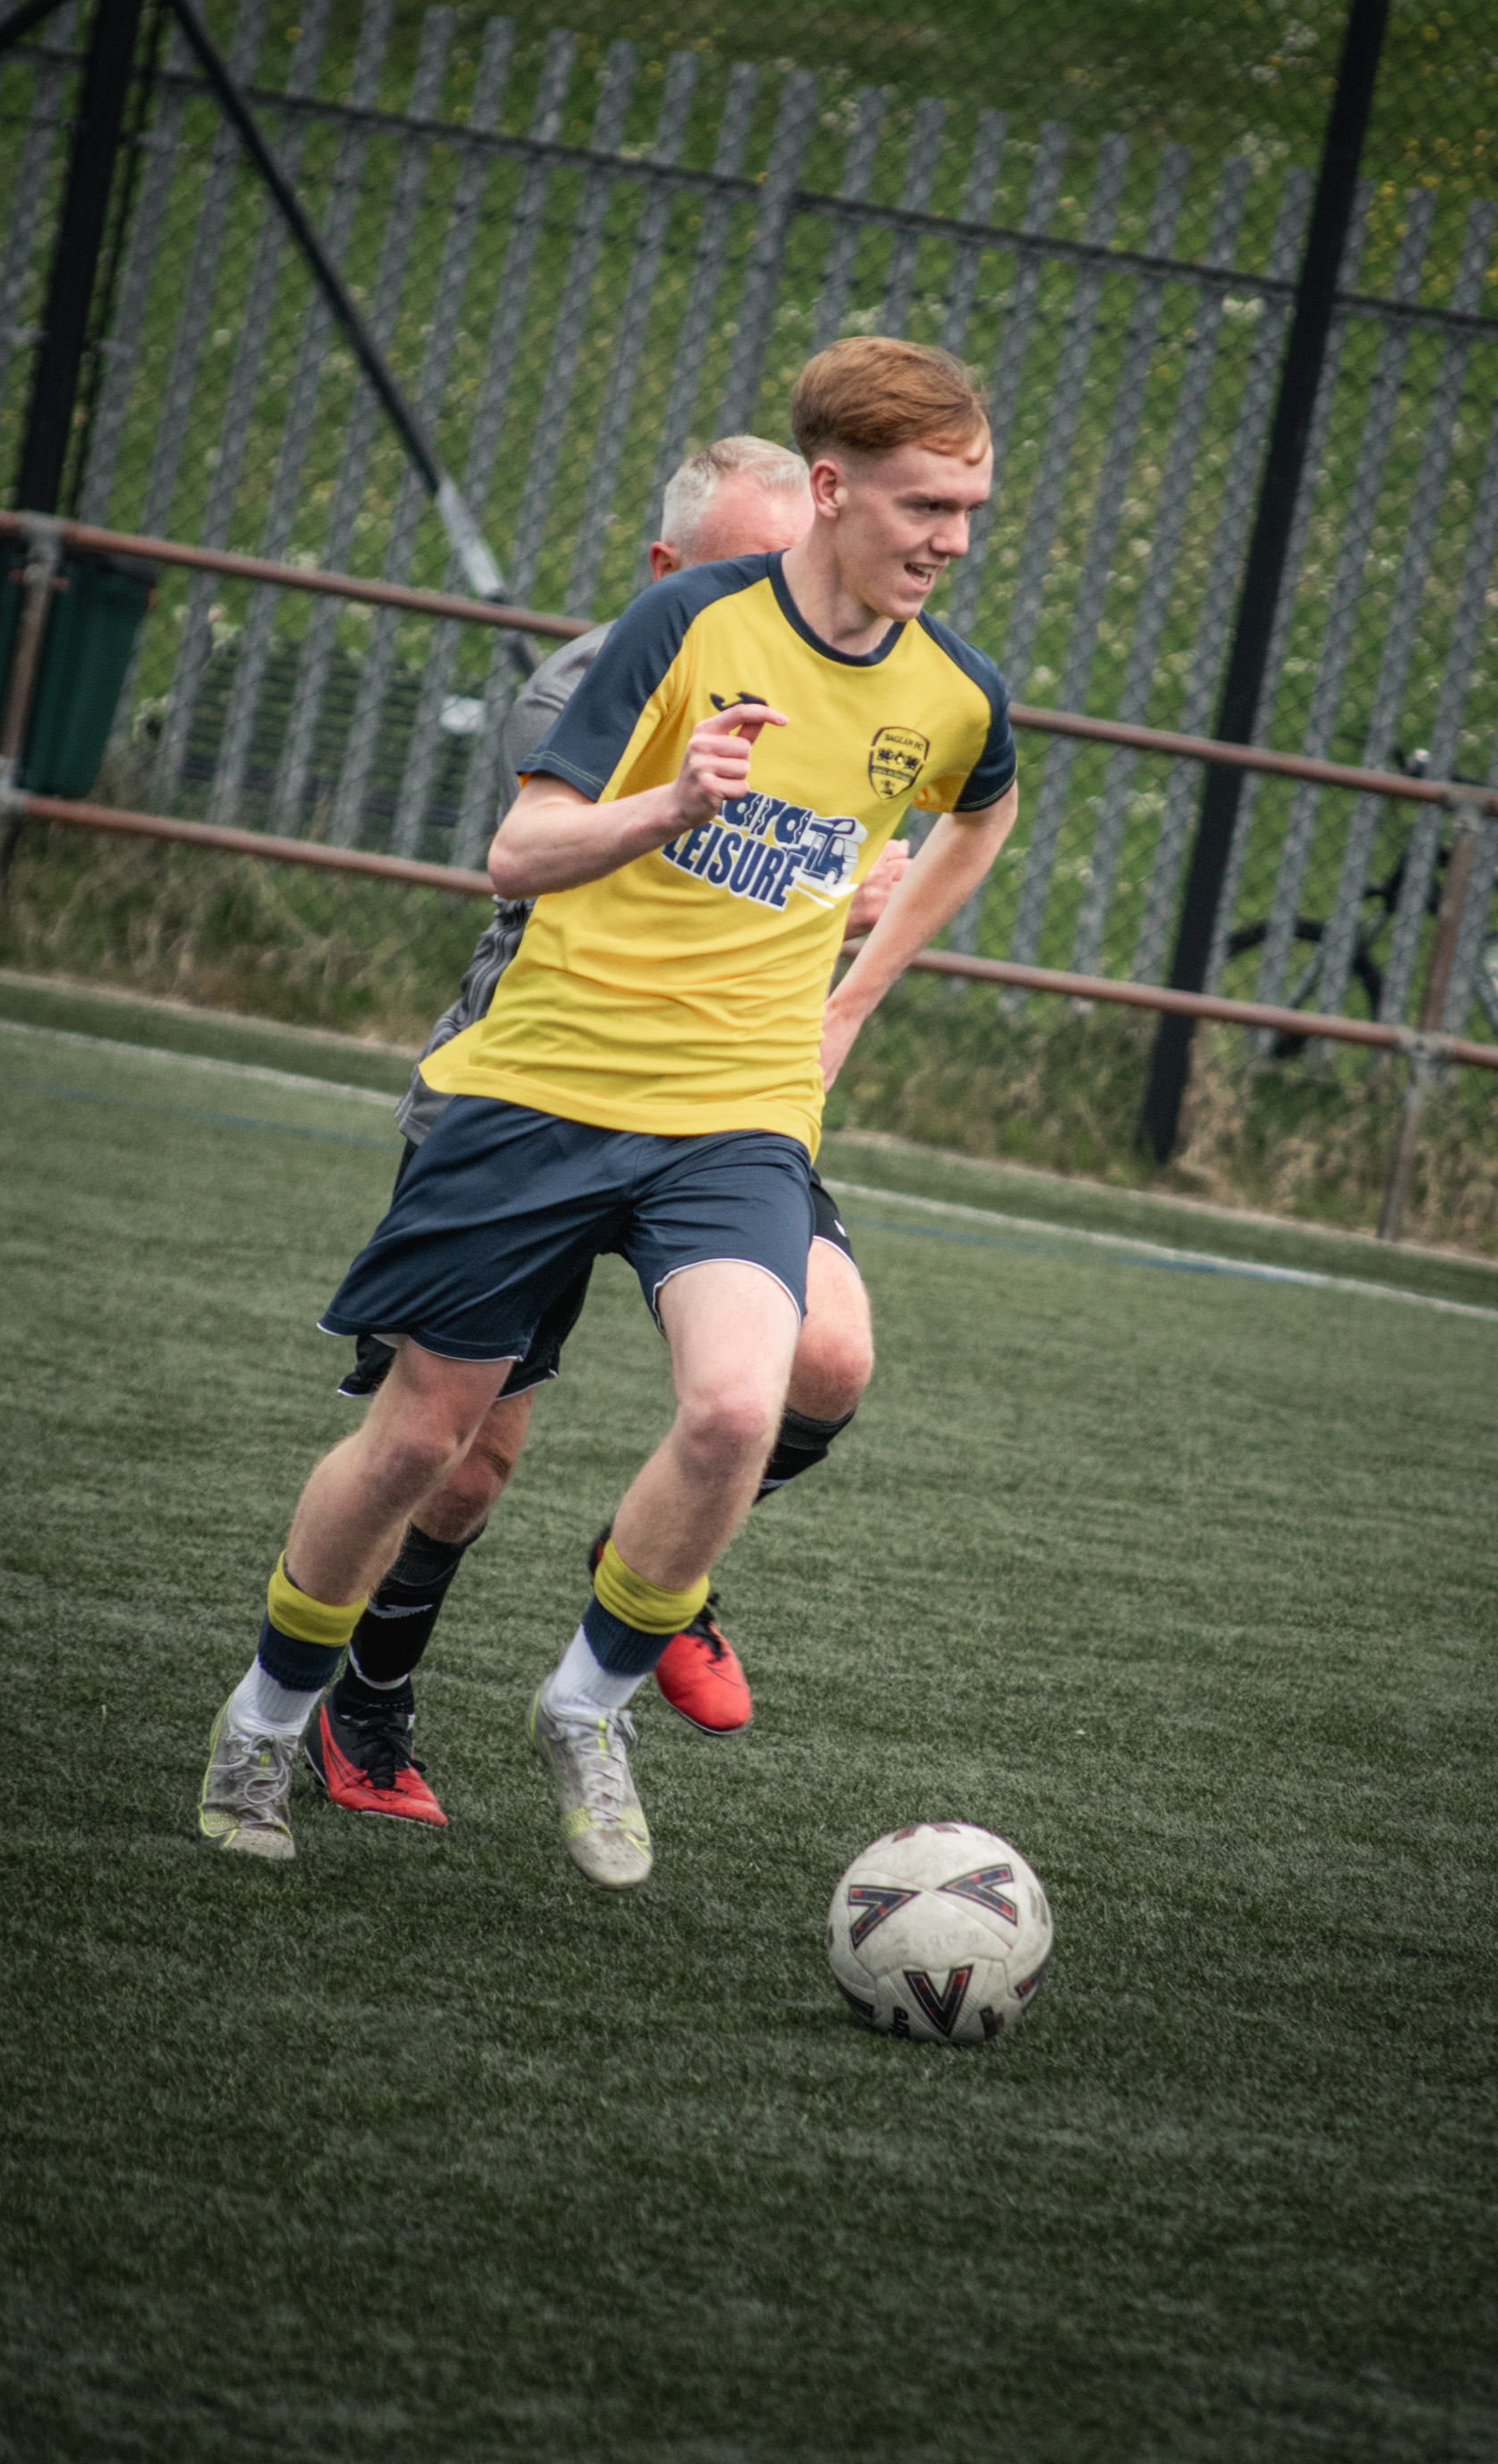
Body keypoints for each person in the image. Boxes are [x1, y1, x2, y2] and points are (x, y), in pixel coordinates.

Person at [198, 336, 1020, 1890]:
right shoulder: (679, 626)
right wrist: (677, 805)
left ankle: (588, 1706)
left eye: (972, 509)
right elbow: (521, 853)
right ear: (833, 491)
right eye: (926, 504)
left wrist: (850, 998)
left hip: (734, 1115)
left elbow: (985, 812)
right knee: (425, 1445)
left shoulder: (955, 693)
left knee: (740, 1403)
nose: (950, 540)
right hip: (540, 1089)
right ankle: (267, 1716)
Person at [303, 438, 909, 1830]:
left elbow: (900, 843)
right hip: (542, 1093)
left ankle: (656, 1571)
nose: (782, 591)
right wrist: (824, 882)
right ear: (663, 573)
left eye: (797, 562)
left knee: (823, 1358)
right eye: (748, 565)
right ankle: (364, 1698)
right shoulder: (585, 685)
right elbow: (656, 853)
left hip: (724, 1108)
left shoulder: (856, 675)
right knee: (462, 1453)